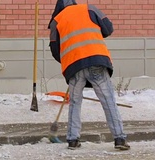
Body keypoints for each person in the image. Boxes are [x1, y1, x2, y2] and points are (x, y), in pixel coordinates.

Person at [48, 0, 130, 150]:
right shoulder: (89, 9)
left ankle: (73, 140)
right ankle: (119, 139)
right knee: (108, 100)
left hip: (74, 67)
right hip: (96, 60)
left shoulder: (56, 21)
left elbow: (55, 49)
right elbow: (108, 28)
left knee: (75, 103)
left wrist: (70, 58)